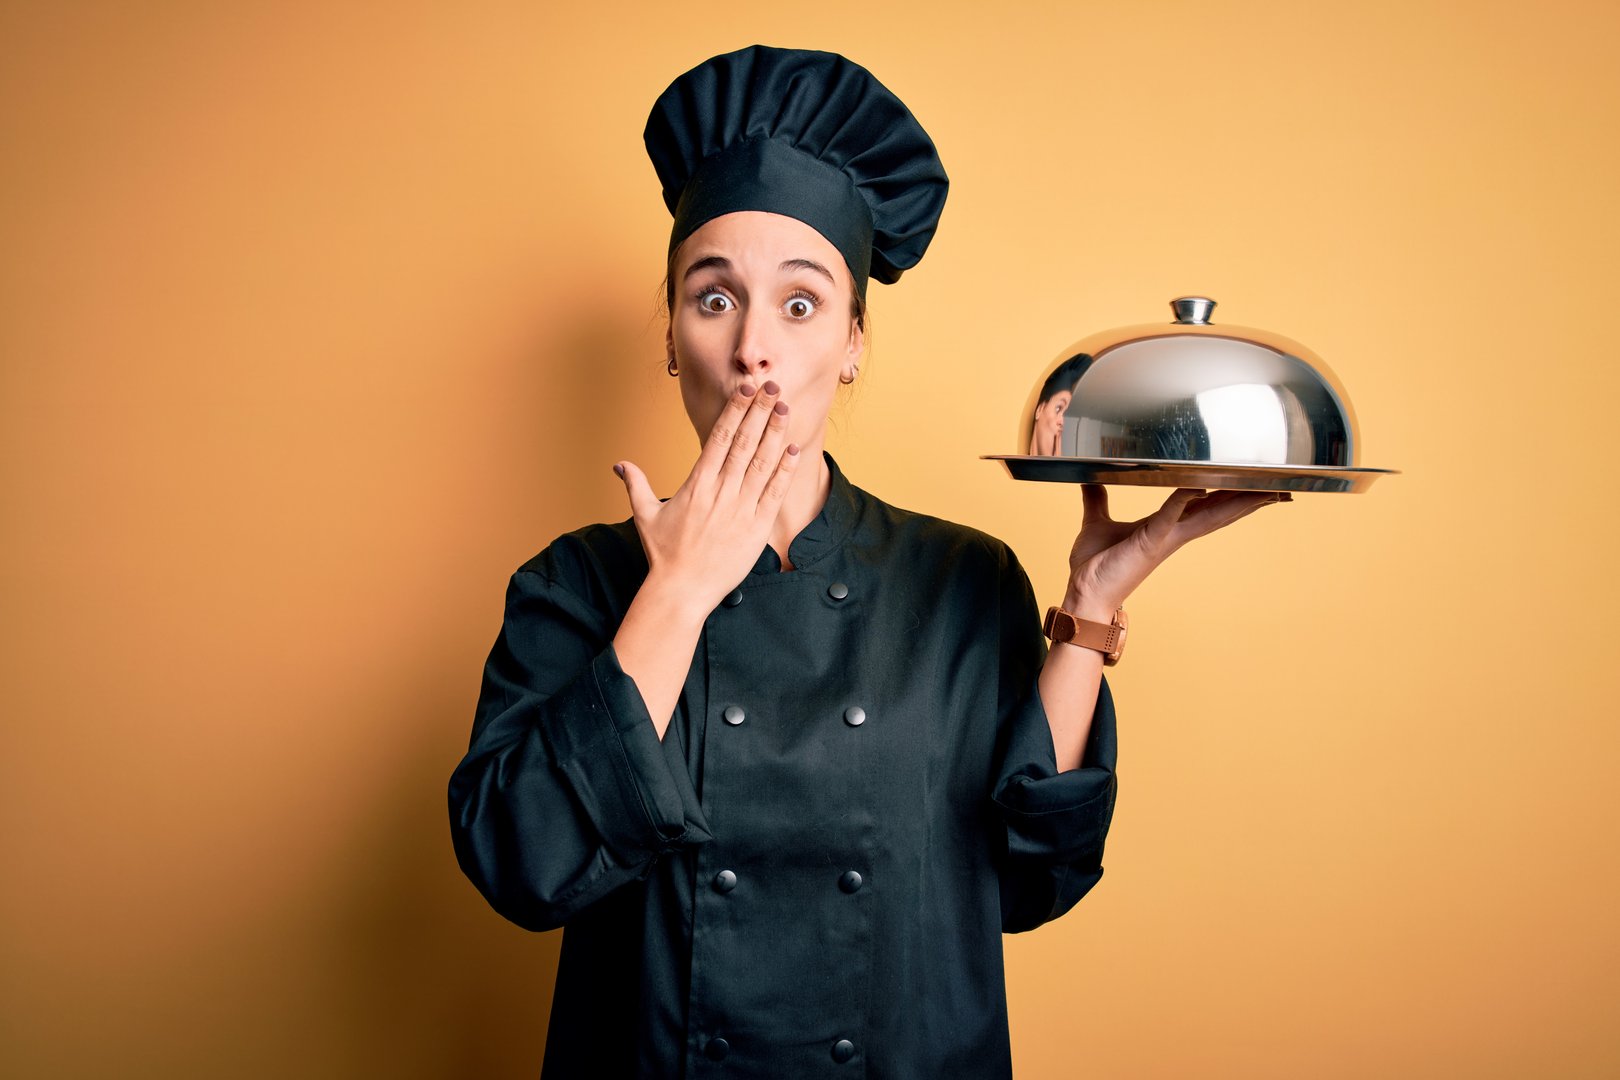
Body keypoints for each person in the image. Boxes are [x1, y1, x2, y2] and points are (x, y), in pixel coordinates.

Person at [448, 45, 1285, 1079]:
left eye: (800, 304)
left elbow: (1030, 885)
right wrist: (677, 589)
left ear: (851, 340)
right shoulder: (574, 585)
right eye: (713, 298)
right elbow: (521, 869)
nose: (755, 345)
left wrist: (1089, 608)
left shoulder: (963, 583)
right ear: (669, 337)